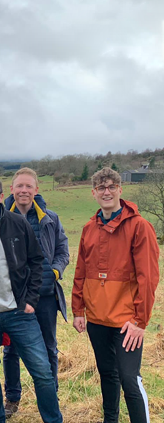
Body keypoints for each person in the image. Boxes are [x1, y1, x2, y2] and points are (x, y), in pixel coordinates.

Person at [0, 173, 63, 423]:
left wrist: (30, 300)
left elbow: (37, 262)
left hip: (18, 312)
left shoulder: (18, 223)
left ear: (0, 195)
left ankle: (53, 419)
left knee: (42, 372)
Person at [72, 167, 159, 423]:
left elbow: (148, 277)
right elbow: (81, 270)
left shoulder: (139, 226)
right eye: (101, 188)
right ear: (94, 193)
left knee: (130, 379)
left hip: (127, 322)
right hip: (97, 318)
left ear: (120, 190)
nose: (106, 192)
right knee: (107, 374)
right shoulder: (89, 228)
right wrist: (78, 310)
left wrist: (140, 321)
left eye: (111, 187)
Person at [2, 168, 69, 417]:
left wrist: (54, 273)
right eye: (19, 186)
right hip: (13, 297)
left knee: (49, 348)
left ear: (36, 190)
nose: (23, 191)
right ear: (12, 190)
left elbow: (63, 252)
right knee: (11, 349)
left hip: (45, 296)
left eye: (29, 186)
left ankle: (51, 395)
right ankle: (12, 398)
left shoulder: (50, 218)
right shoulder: (0, 218)